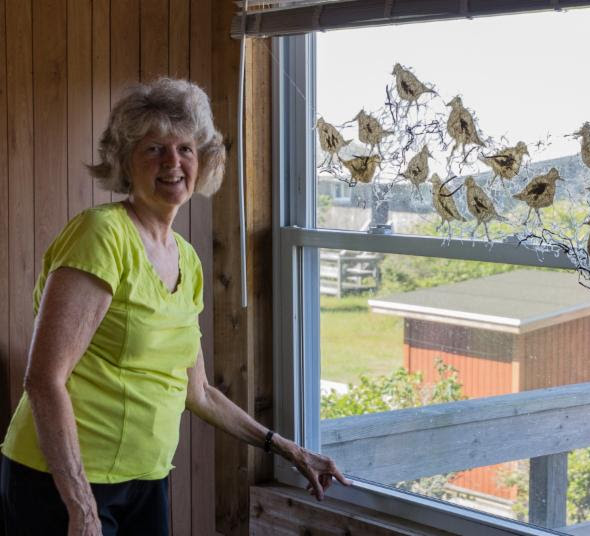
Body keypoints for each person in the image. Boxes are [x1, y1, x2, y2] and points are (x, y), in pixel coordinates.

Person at [0, 78, 350, 535]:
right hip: (61, 483)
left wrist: (288, 449)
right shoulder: (101, 236)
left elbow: (198, 392)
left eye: (185, 147)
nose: (172, 162)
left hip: (146, 480)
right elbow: (44, 380)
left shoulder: (185, 258)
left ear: (202, 161)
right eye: (153, 149)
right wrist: (82, 509)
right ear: (126, 161)